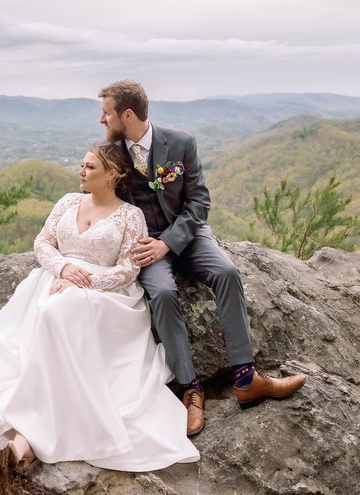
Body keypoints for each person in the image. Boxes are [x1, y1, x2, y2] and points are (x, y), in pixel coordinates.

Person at [0, 143, 199, 471]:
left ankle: (28, 438)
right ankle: (29, 437)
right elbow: (42, 243)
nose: (82, 171)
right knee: (37, 323)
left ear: (114, 175)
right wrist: (64, 269)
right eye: (82, 165)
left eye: (90, 167)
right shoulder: (67, 202)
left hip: (105, 295)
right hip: (53, 279)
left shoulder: (130, 216)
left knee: (56, 314)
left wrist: (86, 279)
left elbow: (128, 269)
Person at [98, 79, 307, 437]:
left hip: (189, 236)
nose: (102, 120)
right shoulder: (110, 152)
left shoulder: (180, 142)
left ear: (127, 114)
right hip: (145, 245)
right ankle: (191, 390)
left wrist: (170, 243)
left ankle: (246, 378)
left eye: (106, 113)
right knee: (162, 294)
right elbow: (99, 200)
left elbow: (199, 203)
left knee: (227, 271)